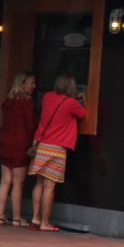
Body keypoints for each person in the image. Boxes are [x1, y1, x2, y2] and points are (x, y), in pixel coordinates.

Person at [28, 72, 88, 232]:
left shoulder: (47, 97)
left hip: (41, 144)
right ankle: (45, 223)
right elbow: (84, 114)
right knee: (49, 186)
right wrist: (82, 98)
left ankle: (35, 218)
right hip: (57, 147)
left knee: (39, 183)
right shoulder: (71, 103)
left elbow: (57, 106)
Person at [0, 70, 37, 226]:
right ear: (23, 84)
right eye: (31, 83)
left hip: (5, 144)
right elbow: (31, 125)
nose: (34, 86)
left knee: (5, 181)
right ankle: (17, 218)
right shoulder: (26, 102)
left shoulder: (8, 101)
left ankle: (0, 216)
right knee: (18, 184)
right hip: (20, 145)